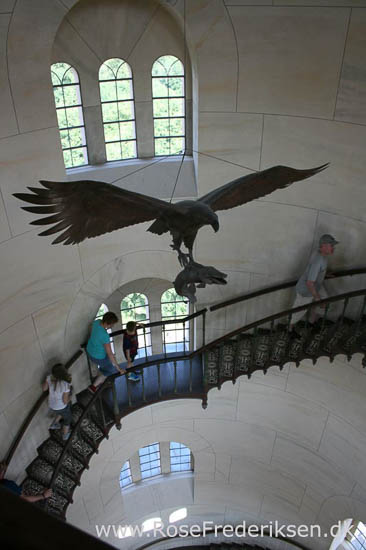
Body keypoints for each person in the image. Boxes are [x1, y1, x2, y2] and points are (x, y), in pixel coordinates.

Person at [290, 234, 338, 329]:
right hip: (306, 290)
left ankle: (312, 321)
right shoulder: (318, 260)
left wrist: (324, 274)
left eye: (333, 245)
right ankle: (289, 330)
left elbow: (314, 271)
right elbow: (309, 283)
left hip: (315, 286)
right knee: (298, 313)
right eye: (331, 245)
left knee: (325, 300)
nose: (333, 248)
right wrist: (317, 299)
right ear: (323, 246)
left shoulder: (321, 255)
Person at [86, 311, 126, 392]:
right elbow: (110, 354)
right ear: (109, 324)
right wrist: (119, 368)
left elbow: (95, 334)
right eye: (113, 324)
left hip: (90, 350)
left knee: (105, 367)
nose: (113, 326)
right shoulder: (105, 336)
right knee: (111, 370)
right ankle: (93, 387)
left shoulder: (97, 322)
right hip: (98, 357)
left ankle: (101, 377)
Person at [42, 363, 72, 441]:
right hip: (61, 406)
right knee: (67, 419)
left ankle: (55, 423)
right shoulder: (65, 385)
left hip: (51, 405)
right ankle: (65, 435)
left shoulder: (49, 377)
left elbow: (44, 389)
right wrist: (69, 398)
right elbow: (65, 401)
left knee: (62, 411)